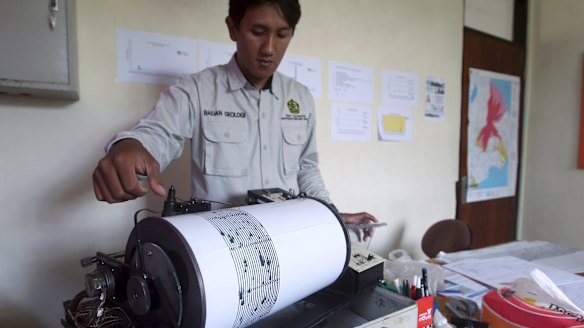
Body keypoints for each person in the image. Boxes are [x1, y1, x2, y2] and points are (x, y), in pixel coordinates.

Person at [92, 0, 378, 239]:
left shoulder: (300, 97)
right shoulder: (197, 90)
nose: (269, 48)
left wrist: (329, 214)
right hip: (222, 248)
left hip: (290, 240)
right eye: (258, 31)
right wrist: (130, 146)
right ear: (233, 28)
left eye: (282, 34)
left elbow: (306, 169)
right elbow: (157, 134)